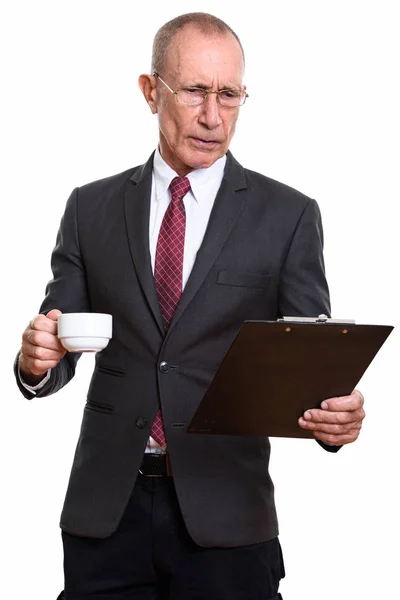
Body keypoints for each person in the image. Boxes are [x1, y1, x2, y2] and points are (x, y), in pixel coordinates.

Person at [15, 12, 365, 600]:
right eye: (195, 91)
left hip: (227, 522)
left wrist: (336, 417)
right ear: (151, 92)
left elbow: (311, 364)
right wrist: (36, 361)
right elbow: (60, 342)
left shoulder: (288, 216)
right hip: (107, 516)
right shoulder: (89, 209)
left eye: (229, 94)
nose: (213, 115)